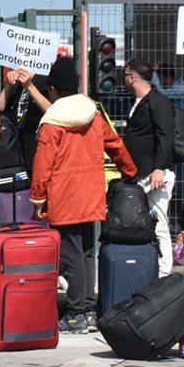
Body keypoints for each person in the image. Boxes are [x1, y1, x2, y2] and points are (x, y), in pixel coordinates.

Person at [30, 59, 137, 334]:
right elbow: (115, 143)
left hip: (63, 197)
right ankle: (89, 309)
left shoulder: (52, 123)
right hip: (91, 194)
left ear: (52, 89)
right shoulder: (93, 115)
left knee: (71, 256)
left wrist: (38, 198)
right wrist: (129, 172)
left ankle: (77, 314)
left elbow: (43, 165)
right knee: (87, 253)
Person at [121, 58, 177, 276]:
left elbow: (166, 136)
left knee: (159, 223)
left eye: (125, 75)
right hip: (141, 174)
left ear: (133, 77)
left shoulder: (158, 102)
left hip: (154, 175)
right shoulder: (139, 102)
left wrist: (159, 168)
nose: (124, 79)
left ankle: (163, 273)